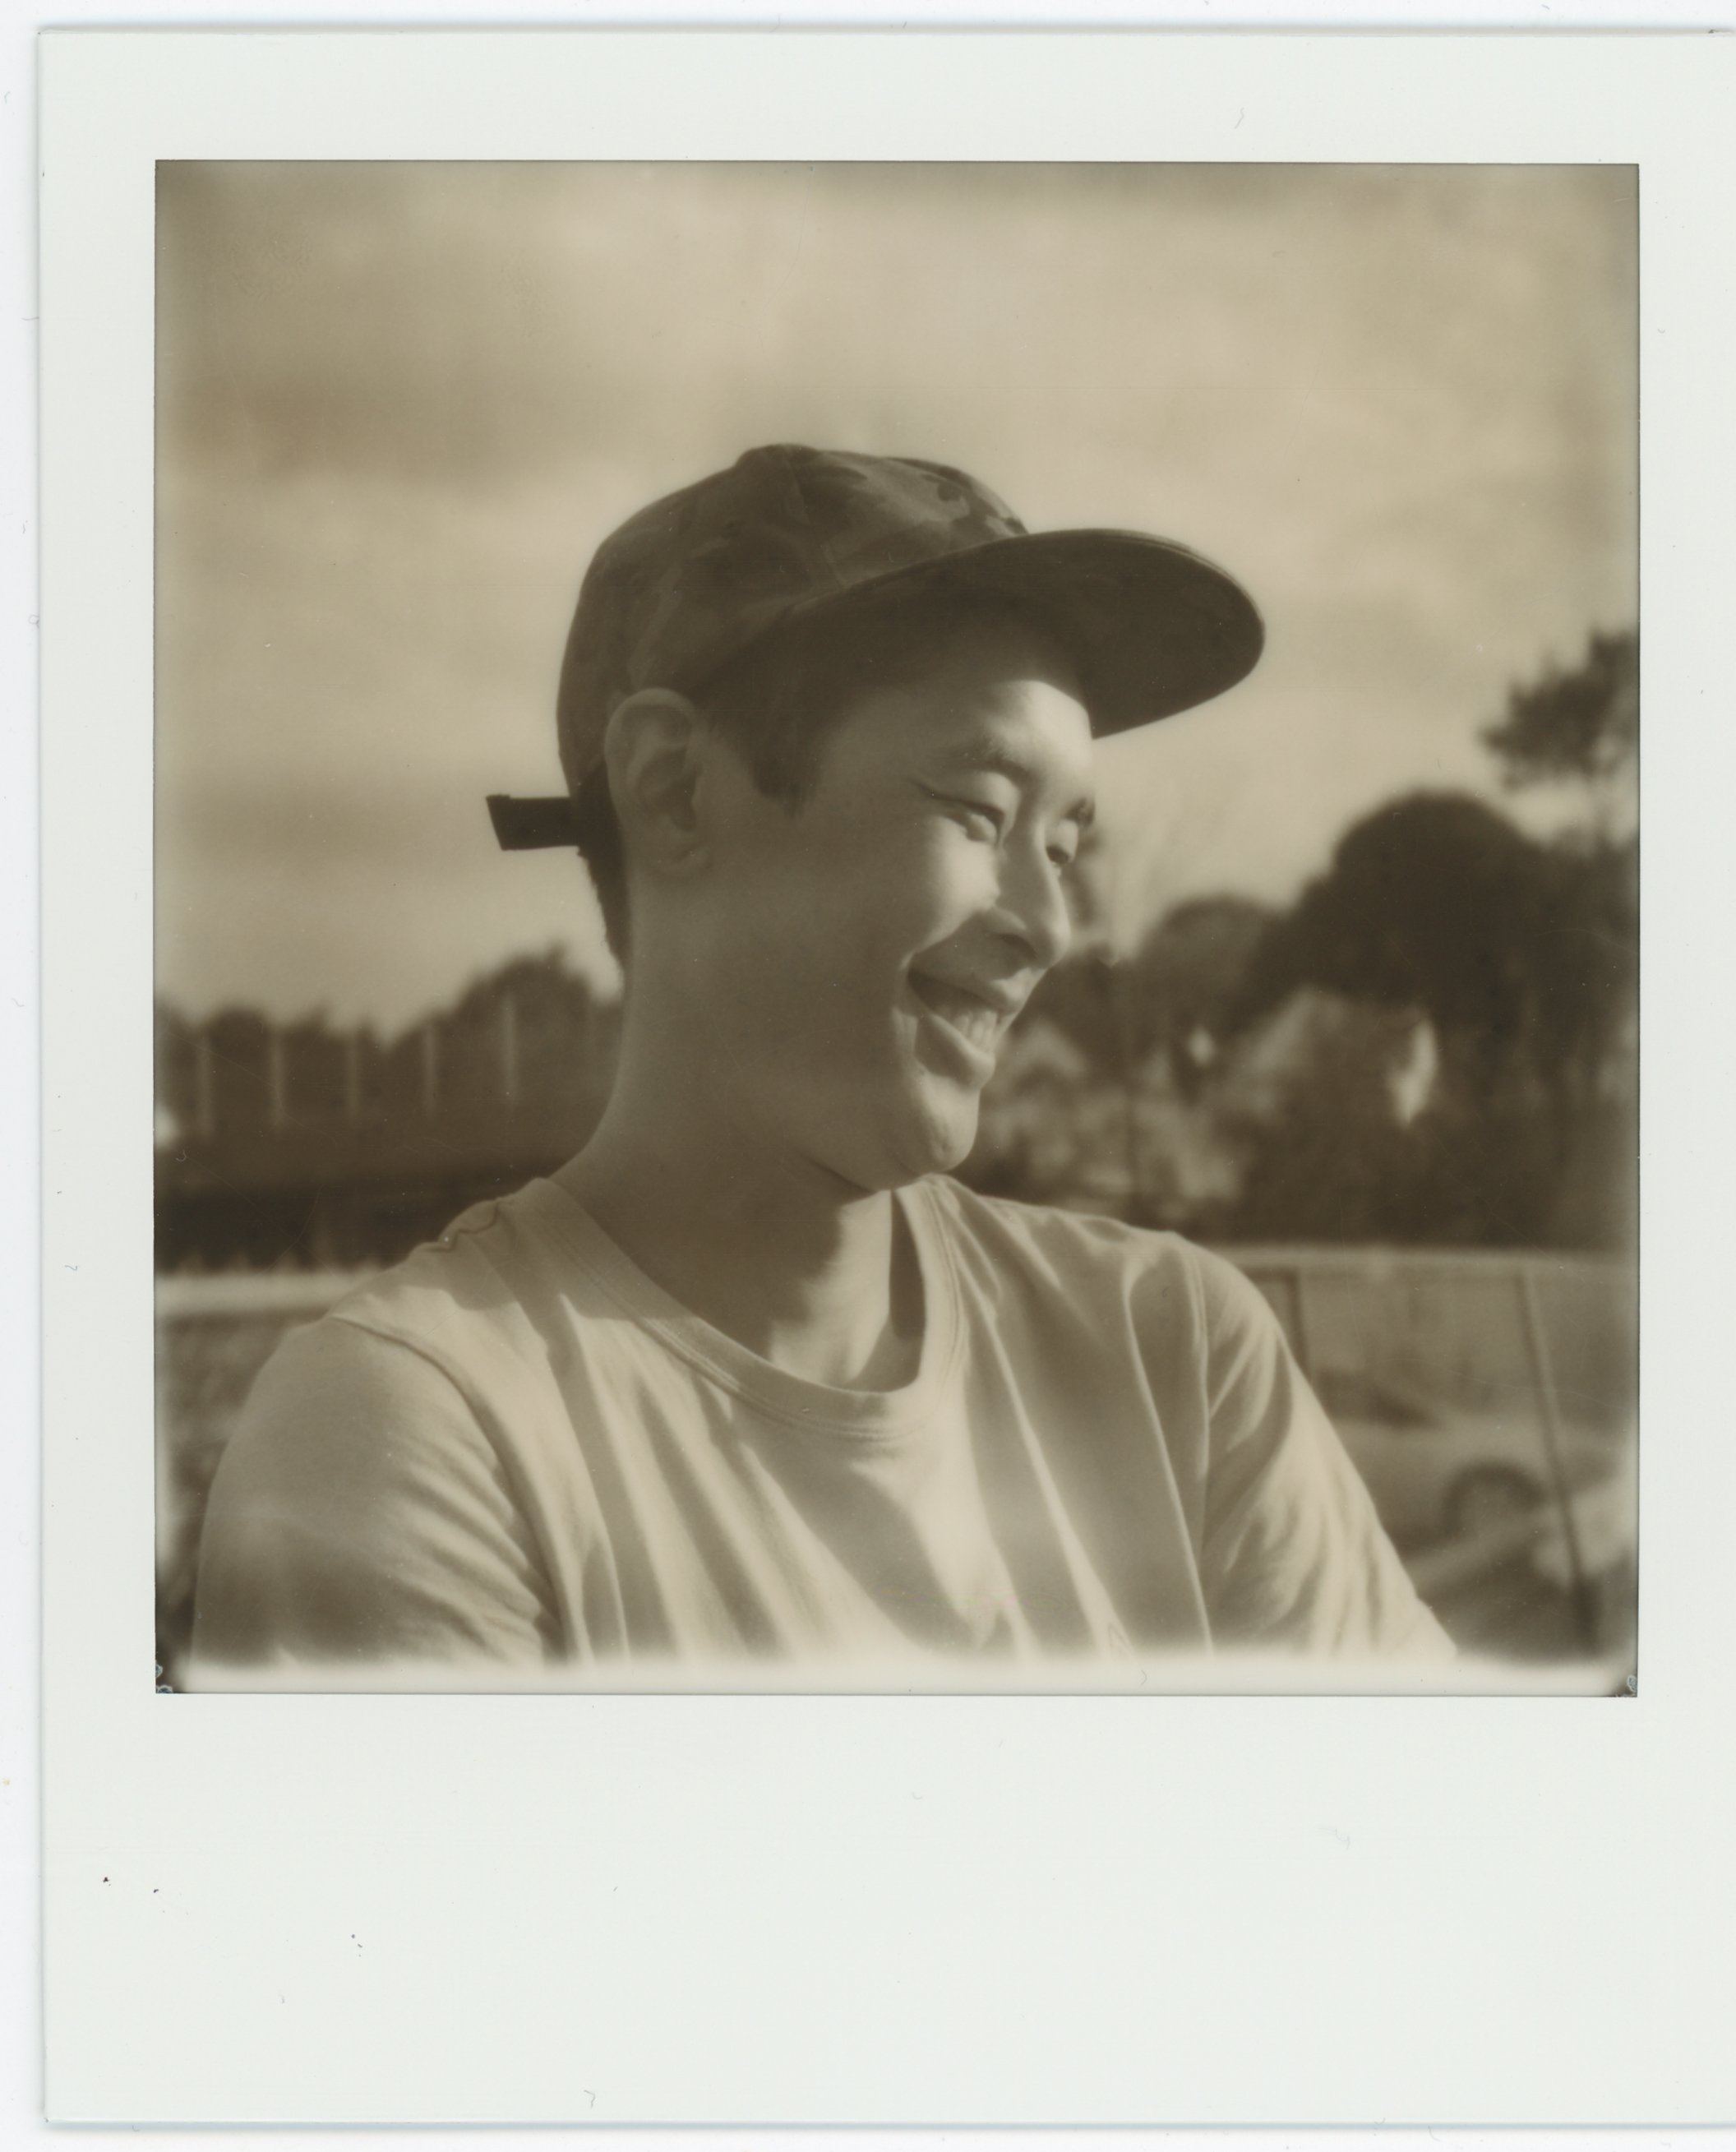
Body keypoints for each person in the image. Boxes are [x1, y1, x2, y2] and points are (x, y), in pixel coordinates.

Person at [191, 444, 1452, 1679]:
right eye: (977, 810)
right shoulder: (418, 1433)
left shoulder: (1172, 1353)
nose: (1050, 924)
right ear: (676, 793)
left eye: (1064, 841)